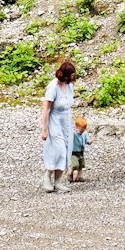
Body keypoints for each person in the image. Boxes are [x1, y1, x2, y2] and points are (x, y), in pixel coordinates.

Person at [40, 57, 77, 193]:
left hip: (66, 121)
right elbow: (46, 109)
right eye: (72, 75)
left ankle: (58, 182)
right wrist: (44, 129)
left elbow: (69, 105)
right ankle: (47, 176)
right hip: (55, 121)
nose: (74, 77)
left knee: (66, 150)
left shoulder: (69, 86)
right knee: (58, 150)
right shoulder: (53, 87)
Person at [70, 116, 91, 183]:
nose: (82, 131)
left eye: (84, 129)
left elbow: (87, 140)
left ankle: (79, 177)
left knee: (81, 165)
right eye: (81, 129)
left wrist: (89, 142)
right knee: (75, 165)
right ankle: (69, 173)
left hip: (81, 152)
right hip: (73, 152)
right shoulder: (74, 133)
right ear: (76, 127)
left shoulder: (84, 133)